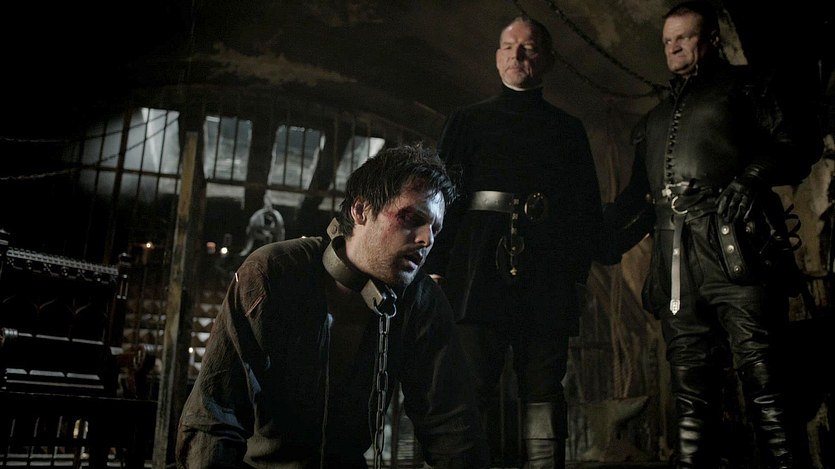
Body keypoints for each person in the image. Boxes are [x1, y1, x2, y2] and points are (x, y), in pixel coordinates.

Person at [602, 1, 822, 468]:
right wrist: (593, 239)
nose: (673, 48)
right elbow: (637, 200)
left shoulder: (748, 87)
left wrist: (751, 178)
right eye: (667, 41)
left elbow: (798, 142)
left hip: (737, 252)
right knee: (690, 394)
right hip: (676, 265)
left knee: (766, 381)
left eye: (684, 37)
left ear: (712, 40)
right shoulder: (653, 121)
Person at [176, 144, 490, 468]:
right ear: (361, 210)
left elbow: (453, 431)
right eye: (411, 218)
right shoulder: (272, 274)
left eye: (435, 229)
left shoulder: (422, 301)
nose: (427, 240)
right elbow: (213, 420)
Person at [424, 15, 607, 469]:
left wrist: (576, 276)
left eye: (527, 47)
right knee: (470, 384)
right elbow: (441, 198)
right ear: (497, 57)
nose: (516, 55)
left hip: (547, 275)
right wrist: (438, 267)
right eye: (508, 47)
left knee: (544, 387)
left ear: (546, 59)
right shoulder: (467, 121)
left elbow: (584, 208)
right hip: (476, 274)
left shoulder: (567, 129)